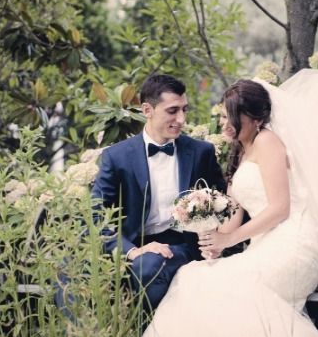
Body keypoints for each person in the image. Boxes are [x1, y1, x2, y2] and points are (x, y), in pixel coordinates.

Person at [131, 69, 318, 337]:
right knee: (194, 276)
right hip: (266, 244)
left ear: (252, 117)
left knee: (227, 286)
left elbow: (279, 208)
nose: (224, 124)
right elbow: (235, 212)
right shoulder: (244, 150)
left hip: (295, 242)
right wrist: (214, 239)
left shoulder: (270, 142)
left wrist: (231, 237)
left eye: (229, 116)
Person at [91, 74, 225, 310]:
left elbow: (222, 203)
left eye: (184, 109)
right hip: (133, 244)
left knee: (148, 267)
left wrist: (214, 235)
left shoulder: (200, 152)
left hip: (182, 245)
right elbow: (95, 216)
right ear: (147, 110)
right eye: (173, 111)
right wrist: (132, 251)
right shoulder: (117, 156)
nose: (181, 119)